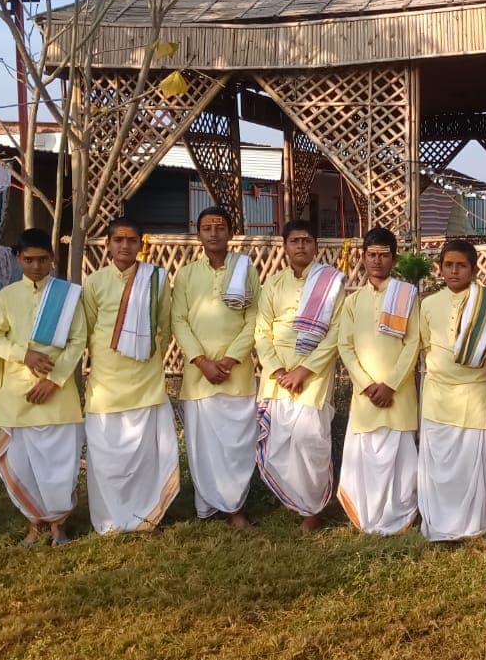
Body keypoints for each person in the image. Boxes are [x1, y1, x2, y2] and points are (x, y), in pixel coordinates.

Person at [0, 228, 86, 546]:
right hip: (17, 395)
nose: (36, 266)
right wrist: (23, 354)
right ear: (18, 259)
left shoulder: (68, 294)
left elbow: (78, 339)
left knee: (59, 465)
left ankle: (58, 525)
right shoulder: (6, 296)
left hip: (58, 394)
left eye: (42, 259)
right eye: (29, 260)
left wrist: (54, 381)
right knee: (21, 462)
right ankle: (33, 521)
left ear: (52, 259)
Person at [82, 216, 179, 534]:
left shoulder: (156, 279)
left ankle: (146, 516)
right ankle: (109, 520)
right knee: (107, 455)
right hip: (105, 382)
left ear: (140, 244)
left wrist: (145, 352)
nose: (125, 246)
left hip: (145, 380)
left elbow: (164, 325)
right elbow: (88, 329)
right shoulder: (95, 283)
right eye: (118, 240)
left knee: (144, 455)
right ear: (108, 244)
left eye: (131, 240)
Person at [170, 206, 261, 527]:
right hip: (199, 377)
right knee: (203, 444)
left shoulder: (245, 269)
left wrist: (230, 358)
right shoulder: (186, 274)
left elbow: (255, 318)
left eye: (219, 227)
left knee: (236, 444)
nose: (213, 233)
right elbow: (178, 320)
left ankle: (235, 506)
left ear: (230, 232)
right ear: (198, 235)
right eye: (207, 228)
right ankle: (207, 506)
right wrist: (202, 361)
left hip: (236, 374)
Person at [255, 219, 346, 530]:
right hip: (276, 374)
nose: (301, 246)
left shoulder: (331, 283)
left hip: (314, 373)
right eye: (295, 241)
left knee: (311, 442)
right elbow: (261, 331)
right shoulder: (273, 284)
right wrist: (279, 370)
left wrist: (303, 370)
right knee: (279, 441)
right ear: (285, 247)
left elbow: (336, 333)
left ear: (316, 246)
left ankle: (312, 510)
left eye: (307, 240)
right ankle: (292, 497)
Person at [335, 227, 421, 535]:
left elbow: (414, 343)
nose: (377, 261)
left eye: (384, 255)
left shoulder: (406, 295)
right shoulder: (353, 301)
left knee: (400, 460)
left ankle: (399, 516)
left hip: (398, 395)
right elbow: (344, 345)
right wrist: (368, 384)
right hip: (365, 396)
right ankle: (368, 516)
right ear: (363, 258)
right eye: (371, 255)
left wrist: (391, 384)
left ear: (394, 259)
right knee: (365, 457)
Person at [415, 238, 486, 542]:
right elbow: (423, 346)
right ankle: (440, 524)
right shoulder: (427, 303)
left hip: (475, 394)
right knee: (439, 465)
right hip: (438, 394)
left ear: (474, 269)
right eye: (448, 265)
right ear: (440, 268)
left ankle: (474, 525)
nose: (454, 271)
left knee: (473, 466)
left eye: (461, 265)